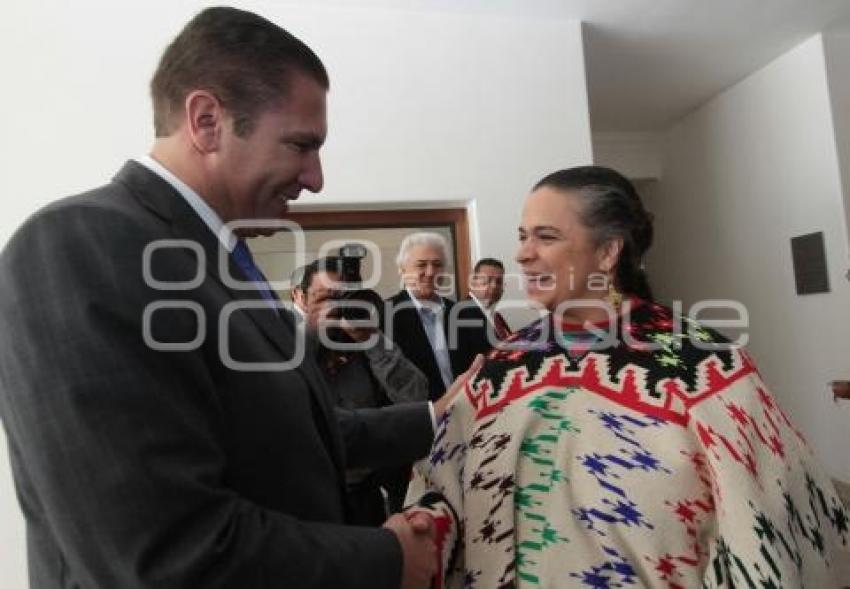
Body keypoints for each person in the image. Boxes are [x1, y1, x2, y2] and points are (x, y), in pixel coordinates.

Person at [0, 8, 449, 588]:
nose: (315, 178)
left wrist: (437, 417)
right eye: (300, 145)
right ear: (208, 120)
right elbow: (165, 551)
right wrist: (388, 559)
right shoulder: (78, 245)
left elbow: (292, 434)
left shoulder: (220, 263)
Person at [405, 166, 850, 588]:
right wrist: (424, 528)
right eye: (523, 236)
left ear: (607, 251)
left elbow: (772, 521)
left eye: (546, 236)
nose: (523, 252)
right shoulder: (502, 363)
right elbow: (442, 487)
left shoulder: (704, 364)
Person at [292, 257, 457, 523]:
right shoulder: (285, 341)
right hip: (309, 494)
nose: (337, 307)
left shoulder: (368, 342)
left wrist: (371, 340)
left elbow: (415, 395)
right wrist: (314, 332)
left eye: (346, 297)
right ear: (300, 297)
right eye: (325, 298)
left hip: (366, 492)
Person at [385, 233, 469, 401]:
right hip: (416, 418)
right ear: (402, 269)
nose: (430, 272)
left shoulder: (462, 313)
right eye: (421, 265)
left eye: (437, 264)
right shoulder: (385, 314)